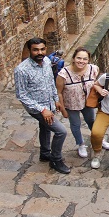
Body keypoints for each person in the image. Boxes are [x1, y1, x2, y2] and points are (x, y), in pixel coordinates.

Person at [15, 37, 70, 174]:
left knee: (45, 127)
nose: (39, 52)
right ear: (29, 51)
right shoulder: (22, 70)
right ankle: (56, 160)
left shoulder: (46, 61)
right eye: (35, 50)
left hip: (49, 103)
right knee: (61, 131)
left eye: (42, 49)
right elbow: (21, 95)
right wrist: (42, 110)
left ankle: (45, 153)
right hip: (36, 108)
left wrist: (56, 99)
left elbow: (51, 82)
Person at [56, 47, 109, 159]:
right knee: (75, 124)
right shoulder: (63, 74)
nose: (81, 61)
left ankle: (100, 139)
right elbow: (59, 92)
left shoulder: (93, 69)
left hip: (87, 103)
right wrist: (63, 110)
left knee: (91, 121)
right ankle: (80, 144)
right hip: (71, 104)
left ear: (88, 60)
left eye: (85, 59)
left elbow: (97, 83)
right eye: (79, 58)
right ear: (73, 58)